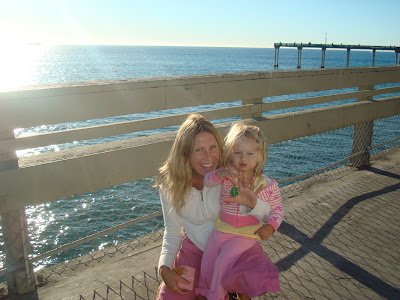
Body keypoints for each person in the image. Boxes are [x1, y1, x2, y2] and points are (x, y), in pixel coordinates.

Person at [155, 114, 280, 300]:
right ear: (185, 153)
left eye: (213, 147)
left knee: (250, 278)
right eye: (199, 150)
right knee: (171, 296)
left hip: (235, 242)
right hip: (195, 250)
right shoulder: (170, 184)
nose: (209, 157)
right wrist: (164, 269)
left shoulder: (231, 173)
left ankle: (228, 289)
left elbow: (266, 215)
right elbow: (173, 231)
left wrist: (252, 204)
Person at [196, 122, 283, 300]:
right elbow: (207, 182)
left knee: (222, 263)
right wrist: (216, 174)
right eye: (238, 153)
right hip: (220, 229)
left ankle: (215, 296)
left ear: (260, 156)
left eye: (250, 153)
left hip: (245, 235)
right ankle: (203, 292)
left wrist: (270, 226)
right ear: (230, 153)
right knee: (208, 263)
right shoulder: (228, 174)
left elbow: (277, 210)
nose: (244, 158)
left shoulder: (266, 185)